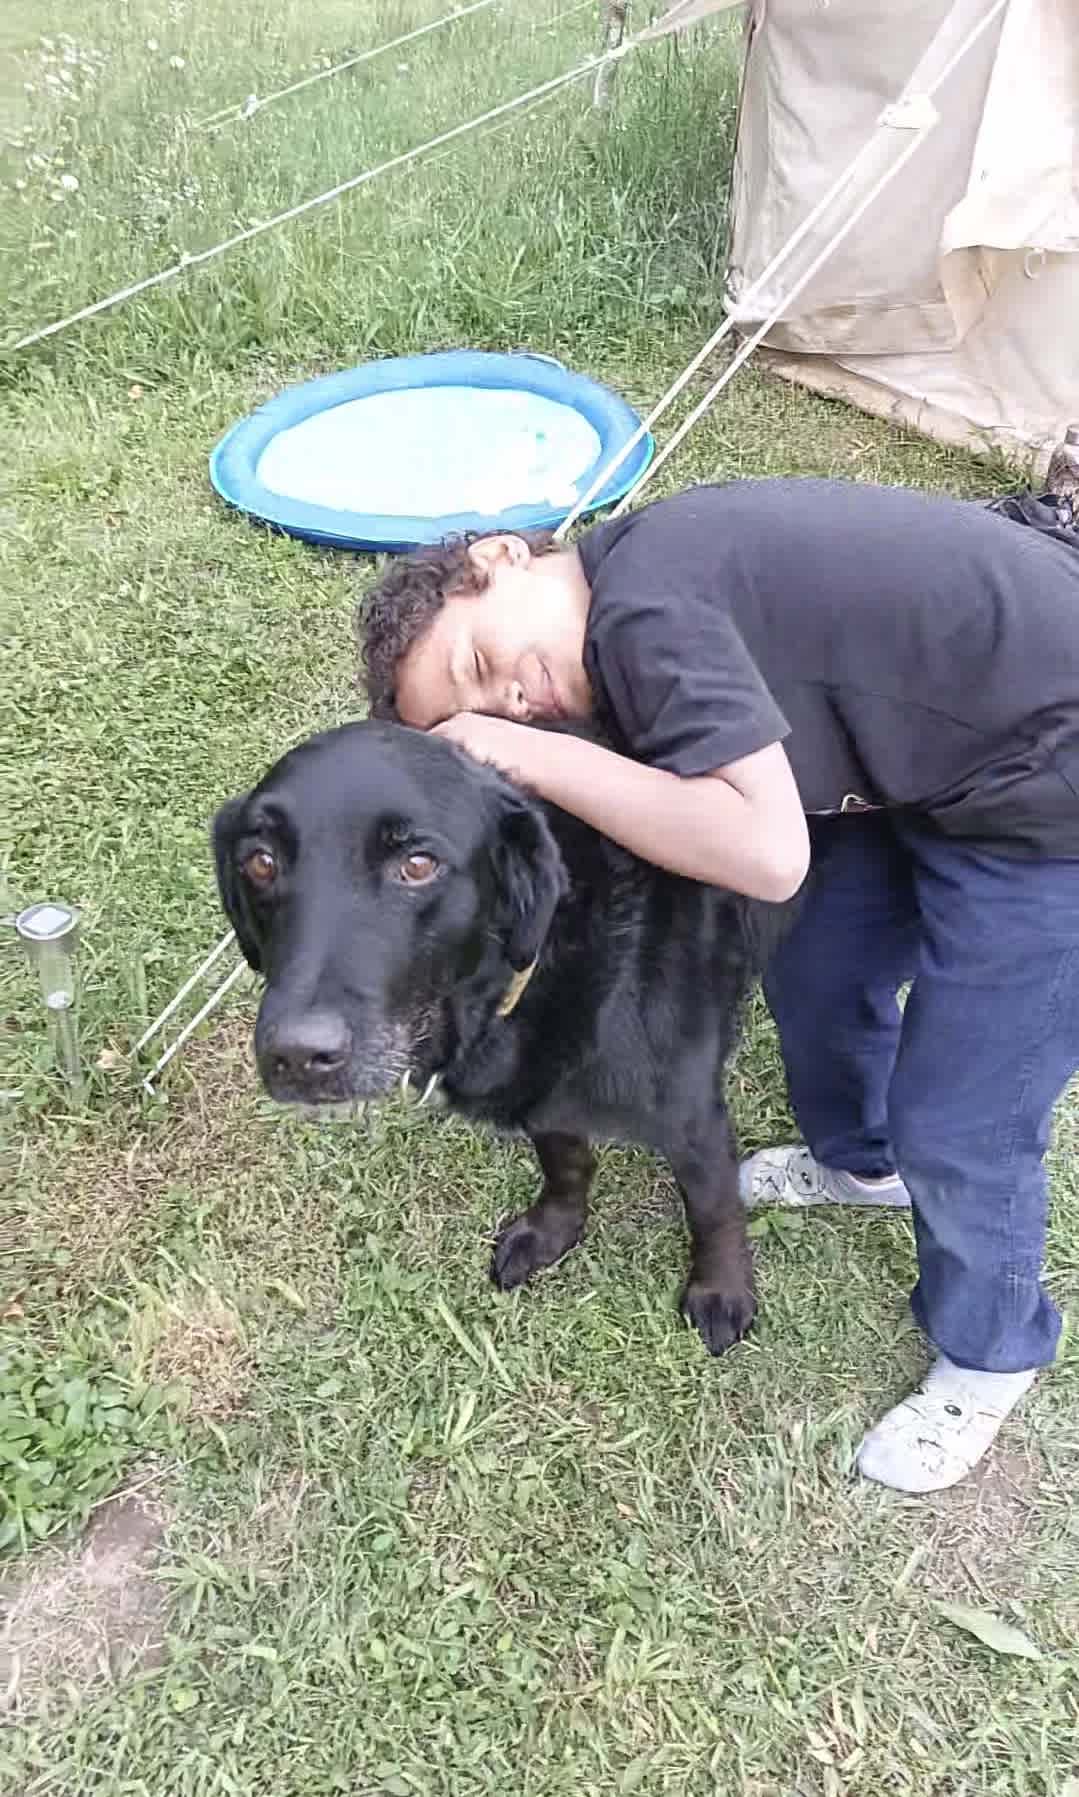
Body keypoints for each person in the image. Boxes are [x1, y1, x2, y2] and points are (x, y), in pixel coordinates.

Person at [358, 476, 1079, 1494]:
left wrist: (517, 753)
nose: (510, 704)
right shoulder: (622, 596)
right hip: (930, 755)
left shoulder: (645, 607)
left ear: (500, 560)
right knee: (818, 965)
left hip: (1051, 783)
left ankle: (989, 1354)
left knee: (962, 1121)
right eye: (477, 712)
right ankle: (858, 1165)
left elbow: (765, 854)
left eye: (477, 664)